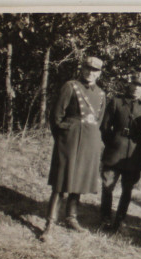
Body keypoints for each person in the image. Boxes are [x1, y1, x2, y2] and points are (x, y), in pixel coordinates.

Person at [42, 57, 106, 240]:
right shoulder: (70, 86)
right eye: (87, 68)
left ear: (99, 73)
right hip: (69, 140)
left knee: (79, 180)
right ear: (82, 69)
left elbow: (98, 121)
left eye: (95, 70)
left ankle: (71, 217)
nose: (90, 73)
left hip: (90, 141)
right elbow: (56, 117)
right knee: (62, 182)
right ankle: (50, 224)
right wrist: (64, 138)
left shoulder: (101, 93)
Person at [100, 72, 141, 232]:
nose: (136, 88)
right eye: (134, 84)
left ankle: (120, 219)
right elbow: (104, 127)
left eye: (140, 86)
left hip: (134, 155)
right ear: (129, 84)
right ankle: (105, 217)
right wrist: (111, 142)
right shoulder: (117, 102)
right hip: (114, 151)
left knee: (127, 189)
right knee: (107, 185)